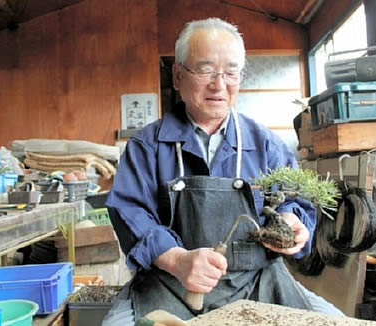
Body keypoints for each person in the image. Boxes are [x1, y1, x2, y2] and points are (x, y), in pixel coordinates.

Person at [103, 17, 343, 324]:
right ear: (177, 75)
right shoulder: (146, 146)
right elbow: (130, 212)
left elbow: (297, 203)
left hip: (258, 281)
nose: (219, 85)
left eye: (231, 72)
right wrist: (177, 260)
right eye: (205, 70)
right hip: (168, 283)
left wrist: (293, 221)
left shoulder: (266, 143)